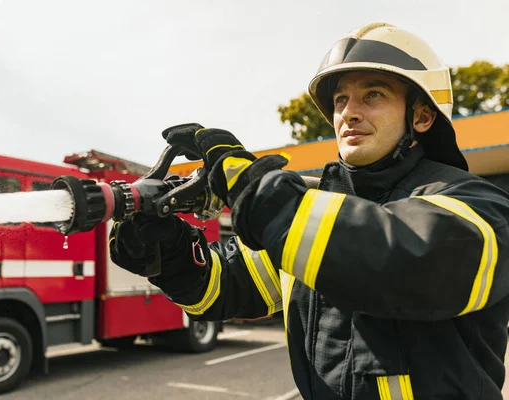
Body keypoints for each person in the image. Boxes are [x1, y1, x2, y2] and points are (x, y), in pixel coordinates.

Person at [109, 22, 509, 399]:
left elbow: (398, 260)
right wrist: (169, 254)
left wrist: (256, 191)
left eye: (373, 94)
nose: (349, 112)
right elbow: (225, 288)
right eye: (340, 99)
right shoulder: (317, 215)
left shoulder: (475, 204)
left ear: (421, 115)